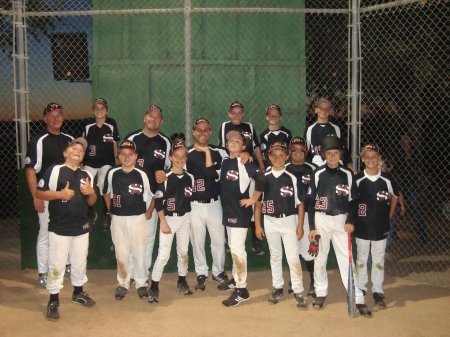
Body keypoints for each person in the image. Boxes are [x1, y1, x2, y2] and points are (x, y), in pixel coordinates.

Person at [155, 118, 230, 291]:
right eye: (199, 129)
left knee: (219, 240)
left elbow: (234, 159)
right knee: (197, 240)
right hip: (194, 205)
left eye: (206, 129)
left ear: (210, 132)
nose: (202, 132)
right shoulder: (186, 153)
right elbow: (171, 168)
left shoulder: (220, 152)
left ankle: (218, 271)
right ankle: (201, 272)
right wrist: (158, 173)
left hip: (214, 202)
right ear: (193, 132)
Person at [307, 135, 371, 317]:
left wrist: (350, 221)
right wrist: (312, 227)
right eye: (329, 153)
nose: (333, 156)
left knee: (347, 259)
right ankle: (320, 292)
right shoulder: (318, 173)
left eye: (336, 153)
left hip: (342, 220)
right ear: (324, 154)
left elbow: (354, 201)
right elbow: (311, 202)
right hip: (321, 219)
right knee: (320, 257)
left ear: (340, 154)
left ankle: (357, 297)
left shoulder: (348, 174)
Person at [35, 137, 96, 320]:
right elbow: (39, 193)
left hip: (81, 226)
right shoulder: (55, 171)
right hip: (60, 226)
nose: (77, 151)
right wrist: (59, 194)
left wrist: (91, 193)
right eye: (73, 148)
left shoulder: (87, 175)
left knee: (79, 261)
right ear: (65, 153)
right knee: (57, 263)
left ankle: (78, 292)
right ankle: (53, 299)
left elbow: (91, 202)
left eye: (81, 150)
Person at [25, 102, 74, 286]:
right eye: (51, 115)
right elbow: (30, 171)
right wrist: (36, 196)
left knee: (68, 230)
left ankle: (67, 265)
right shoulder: (39, 140)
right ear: (45, 119)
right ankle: (43, 273)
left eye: (59, 114)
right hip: (46, 194)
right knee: (45, 234)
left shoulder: (69, 139)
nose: (56, 118)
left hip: (66, 194)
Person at [254, 141, 307, 308]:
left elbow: (300, 204)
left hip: (289, 220)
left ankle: (298, 289)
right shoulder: (264, 177)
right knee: (275, 256)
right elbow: (258, 203)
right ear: (268, 157)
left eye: (281, 155)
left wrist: (300, 226)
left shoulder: (292, 177)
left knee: (293, 256)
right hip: (269, 220)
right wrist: (257, 225)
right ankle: (277, 287)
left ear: (287, 157)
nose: (277, 158)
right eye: (274, 155)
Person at [218, 130, 265, 307]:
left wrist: (253, 199)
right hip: (228, 211)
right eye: (231, 140)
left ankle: (241, 289)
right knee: (233, 246)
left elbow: (261, 178)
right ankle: (234, 279)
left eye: (238, 141)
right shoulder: (225, 161)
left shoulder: (244, 161)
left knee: (238, 249)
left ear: (244, 147)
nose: (233, 142)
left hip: (240, 212)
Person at [348, 144, 398, 309]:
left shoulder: (387, 179)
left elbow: (395, 196)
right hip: (363, 225)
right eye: (367, 156)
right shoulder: (358, 179)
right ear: (362, 159)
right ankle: (361, 287)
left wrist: (389, 215)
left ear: (379, 159)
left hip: (380, 225)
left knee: (378, 258)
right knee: (362, 258)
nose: (370, 159)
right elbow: (352, 202)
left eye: (374, 156)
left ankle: (377, 290)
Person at [124, 105, 171, 284]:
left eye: (157, 117)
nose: (153, 119)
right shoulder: (133, 138)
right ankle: (128, 275)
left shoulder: (165, 142)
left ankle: (141, 275)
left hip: (153, 196)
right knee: (132, 238)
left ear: (161, 121)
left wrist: (163, 174)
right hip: (133, 196)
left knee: (149, 237)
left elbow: (168, 168)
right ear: (144, 118)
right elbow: (122, 164)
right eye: (150, 116)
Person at [103, 140, 154, 300]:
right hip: (118, 217)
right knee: (121, 252)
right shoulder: (112, 172)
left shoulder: (143, 173)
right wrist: (110, 211)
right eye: (123, 154)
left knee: (139, 251)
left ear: (136, 156)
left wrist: (148, 212)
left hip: (137, 217)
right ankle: (124, 283)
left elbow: (155, 195)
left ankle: (141, 283)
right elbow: (106, 192)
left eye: (130, 154)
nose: (126, 157)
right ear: (118, 155)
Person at [148, 142, 195, 303]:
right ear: (170, 157)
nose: (179, 159)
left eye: (183, 156)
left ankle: (182, 280)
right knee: (163, 254)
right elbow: (159, 202)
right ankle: (154, 286)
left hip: (185, 217)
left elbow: (190, 199)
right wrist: (163, 222)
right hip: (169, 218)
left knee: (183, 252)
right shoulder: (165, 176)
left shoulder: (190, 177)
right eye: (176, 156)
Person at [218, 101, 266, 255]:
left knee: (252, 201)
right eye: (234, 112)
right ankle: (228, 239)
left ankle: (255, 240)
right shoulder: (225, 127)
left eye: (240, 112)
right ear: (229, 113)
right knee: (231, 199)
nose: (237, 115)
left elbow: (256, 146)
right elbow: (222, 148)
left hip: (247, 165)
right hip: (233, 165)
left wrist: (260, 164)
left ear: (243, 113)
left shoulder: (249, 127)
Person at [284, 137, 317, 298]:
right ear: (289, 153)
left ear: (307, 152)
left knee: (307, 250)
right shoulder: (283, 168)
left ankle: (314, 281)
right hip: (289, 215)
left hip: (308, 214)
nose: (298, 153)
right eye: (294, 150)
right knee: (292, 250)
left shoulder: (313, 169)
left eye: (301, 150)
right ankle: (295, 279)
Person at [82, 97, 120, 231]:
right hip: (90, 162)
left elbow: (115, 144)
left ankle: (106, 213)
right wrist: (81, 163)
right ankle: (89, 213)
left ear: (107, 111)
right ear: (93, 111)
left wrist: (117, 164)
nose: (99, 111)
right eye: (96, 108)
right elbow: (84, 144)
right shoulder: (88, 124)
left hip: (106, 162)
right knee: (85, 181)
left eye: (102, 108)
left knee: (103, 180)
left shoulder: (111, 123)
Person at [304, 98, 354, 170]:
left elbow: (344, 148)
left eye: (326, 109)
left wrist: (350, 166)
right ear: (316, 110)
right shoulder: (310, 129)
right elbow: (306, 150)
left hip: (334, 163)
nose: (323, 111)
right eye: (320, 108)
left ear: (330, 111)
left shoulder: (336, 128)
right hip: (317, 164)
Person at [259, 104, 292, 168]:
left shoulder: (286, 133)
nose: (273, 117)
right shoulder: (264, 135)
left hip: (285, 164)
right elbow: (267, 154)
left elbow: (289, 151)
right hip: (271, 165)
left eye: (276, 115)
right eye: (270, 115)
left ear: (280, 117)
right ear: (267, 117)